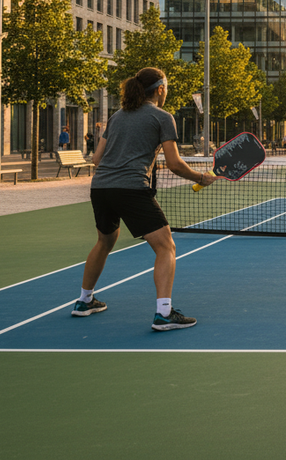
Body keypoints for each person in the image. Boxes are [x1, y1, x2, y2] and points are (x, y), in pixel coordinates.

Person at [73, 67, 218, 331]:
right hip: (131, 189)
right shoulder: (163, 117)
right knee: (166, 247)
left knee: (104, 242)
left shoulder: (117, 116)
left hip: (101, 188)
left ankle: (84, 301)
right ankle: (163, 313)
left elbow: (97, 160)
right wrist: (200, 177)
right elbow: (174, 163)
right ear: (160, 89)